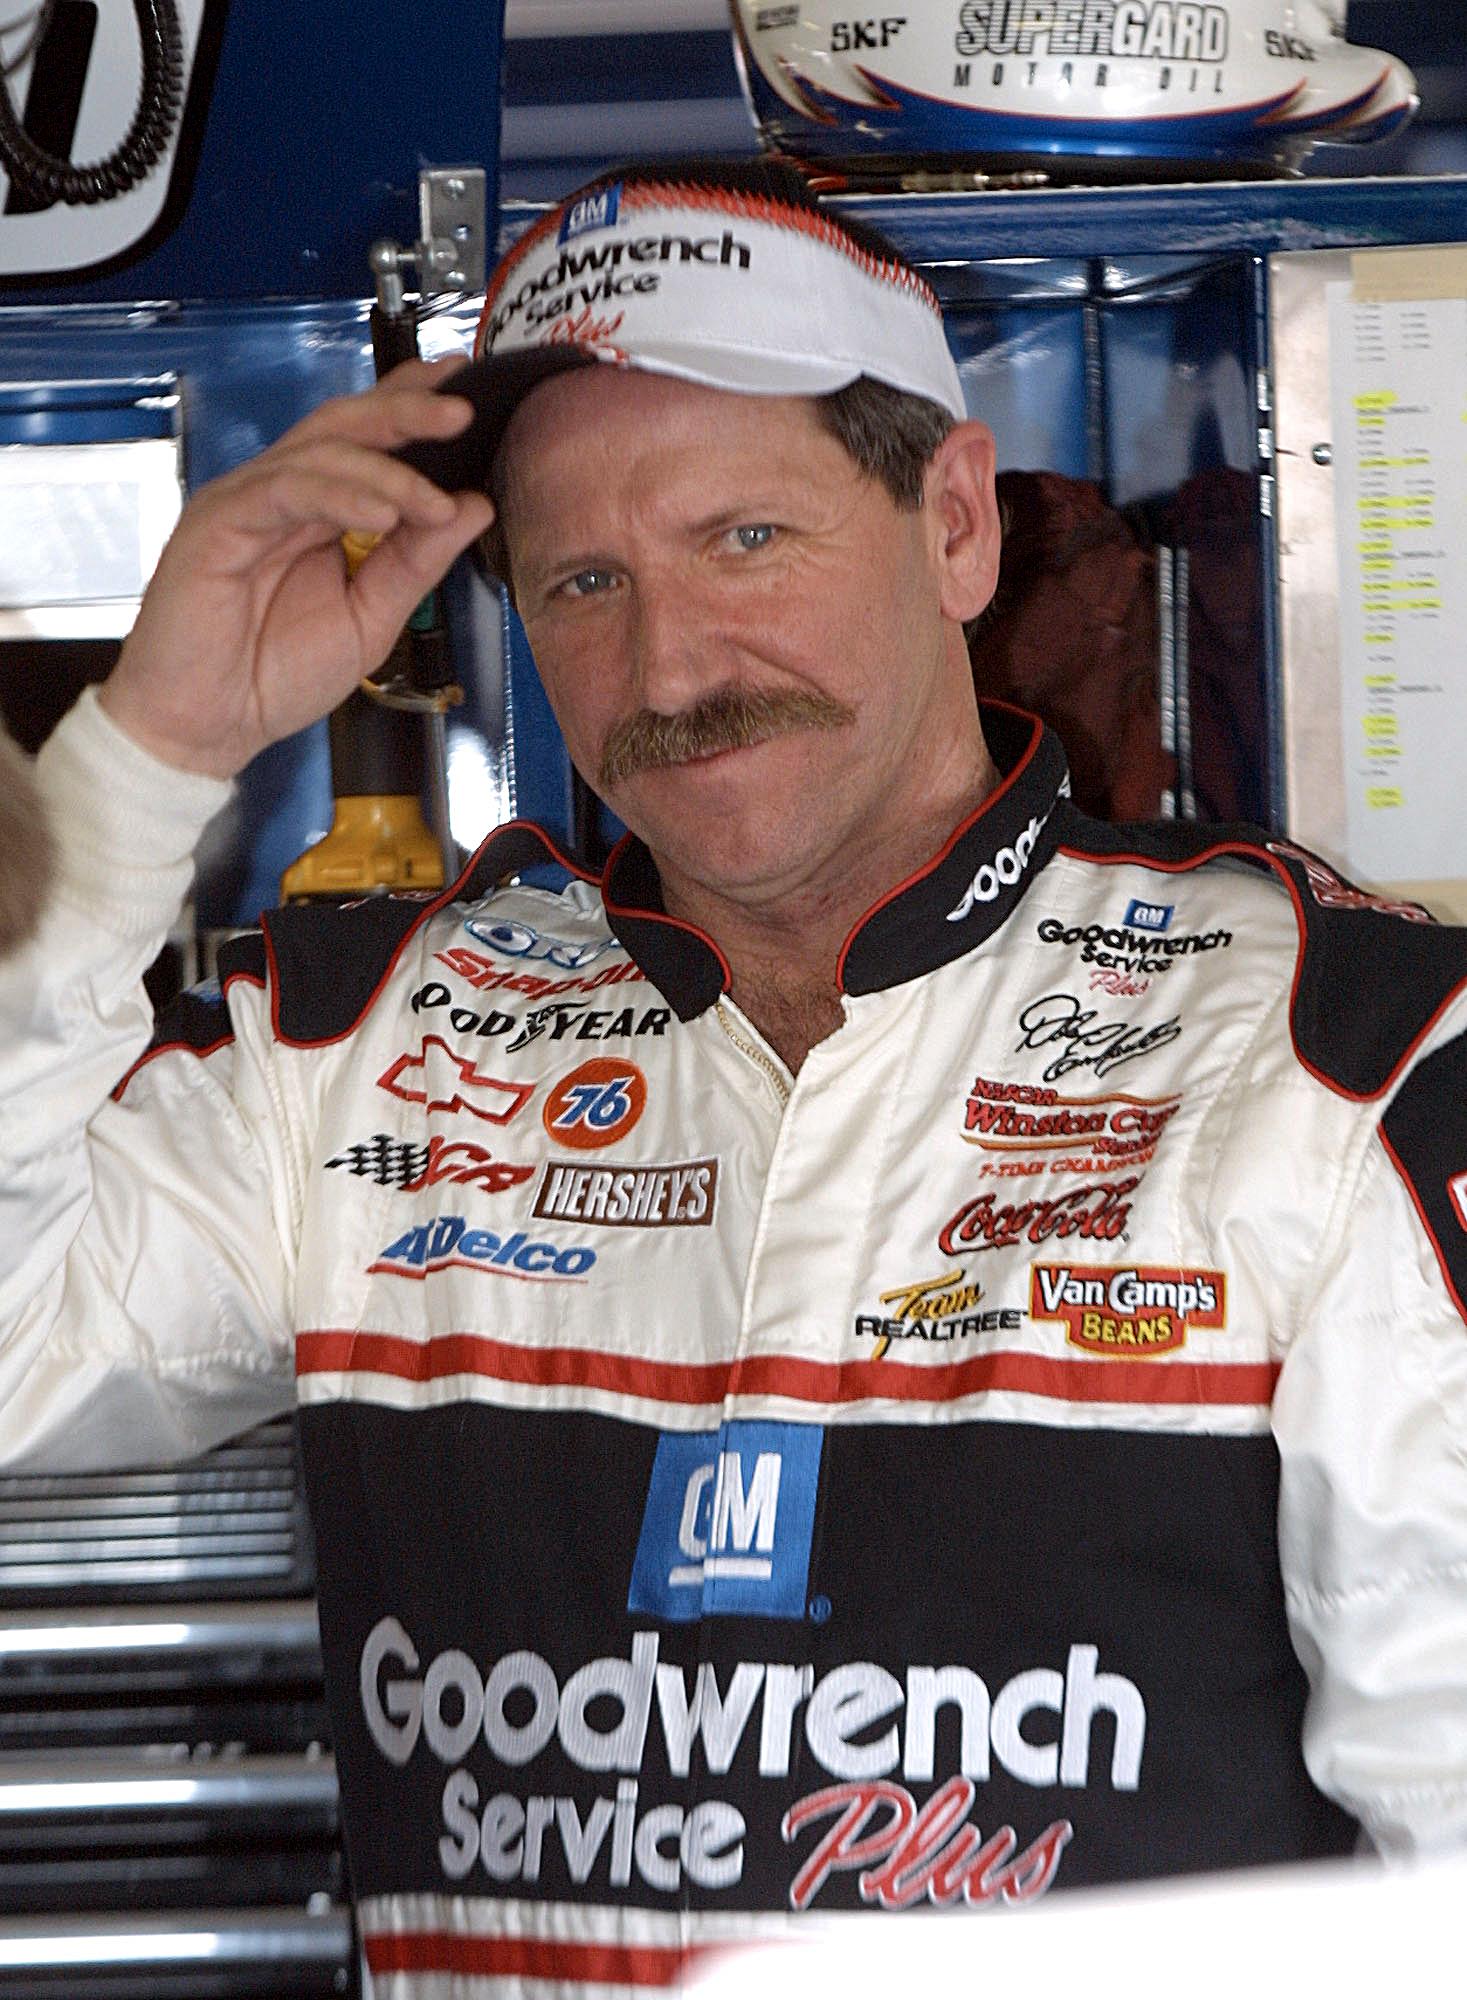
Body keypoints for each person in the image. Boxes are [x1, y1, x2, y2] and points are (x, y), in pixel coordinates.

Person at [1, 156, 1465, 1991]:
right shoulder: (363, 1045)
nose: (670, 663)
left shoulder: (1345, 1049)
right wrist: (150, 743)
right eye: (583, 578)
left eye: (744, 542)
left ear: (953, 523)